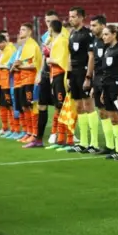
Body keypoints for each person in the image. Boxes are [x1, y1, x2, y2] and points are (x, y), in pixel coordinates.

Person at [99, 25, 118, 160]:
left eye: (106, 34)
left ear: (113, 35)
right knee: (113, 119)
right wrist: (102, 91)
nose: (103, 37)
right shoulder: (107, 50)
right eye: (103, 34)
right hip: (107, 88)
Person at [67, 7, 96, 153]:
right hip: (74, 74)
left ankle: (94, 142)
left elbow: (91, 57)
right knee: (78, 107)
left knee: (88, 106)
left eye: (73, 16)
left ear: (80, 18)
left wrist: (88, 77)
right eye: (70, 16)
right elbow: (70, 57)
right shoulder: (72, 34)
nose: (70, 19)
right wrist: (68, 76)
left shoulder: (88, 35)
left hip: (84, 72)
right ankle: (83, 142)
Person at [45, 20, 71, 150]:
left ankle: (65, 138)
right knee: (58, 106)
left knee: (62, 106)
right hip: (54, 76)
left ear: (51, 28)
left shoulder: (61, 41)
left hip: (60, 75)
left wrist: (49, 60)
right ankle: (60, 137)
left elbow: (62, 59)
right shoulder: (55, 40)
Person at [15, 23, 42, 145]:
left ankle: (34, 133)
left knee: (31, 106)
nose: (20, 31)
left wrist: (20, 66)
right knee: (24, 107)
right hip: (22, 80)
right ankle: (28, 131)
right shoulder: (23, 47)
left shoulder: (33, 46)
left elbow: (34, 65)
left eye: (23, 29)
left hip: (30, 80)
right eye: (20, 29)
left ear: (30, 32)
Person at [89, 15, 112, 155]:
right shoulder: (95, 41)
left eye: (94, 25)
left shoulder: (110, 43)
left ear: (103, 25)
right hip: (97, 80)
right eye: (91, 25)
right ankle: (110, 145)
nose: (92, 28)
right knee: (102, 112)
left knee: (117, 113)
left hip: (109, 81)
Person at [37, 10, 59, 145]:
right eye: (47, 21)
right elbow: (43, 57)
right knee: (42, 105)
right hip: (46, 74)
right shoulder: (45, 36)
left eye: (51, 21)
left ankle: (56, 132)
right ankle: (39, 137)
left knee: (59, 105)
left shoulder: (62, 36)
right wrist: (39, 73)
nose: (49, 23)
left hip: (57, 74)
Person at [0, 33, 16, 137]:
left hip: (7, 82)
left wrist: (0, 65)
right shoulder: (1, 51)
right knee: (2, 105)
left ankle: (14, 129)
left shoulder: (10, 50)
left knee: (9, 106)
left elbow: (11, 65)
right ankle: (5, 128)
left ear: (3, 42)